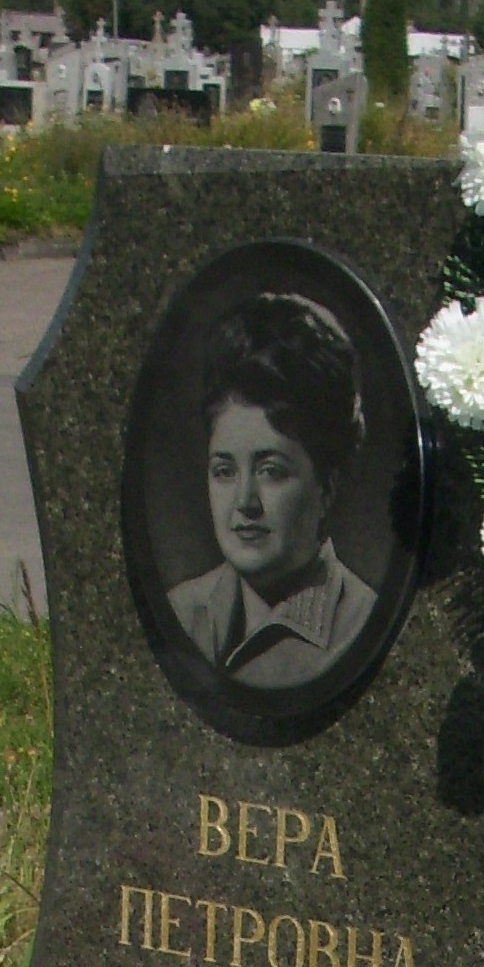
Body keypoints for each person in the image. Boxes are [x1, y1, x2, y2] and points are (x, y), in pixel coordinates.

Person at [167, 294, 378, 688]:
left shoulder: (361, 626)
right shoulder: (180, 610)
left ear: (326, 488)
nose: (244, 502)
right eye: (224, 471)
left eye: (271, 472)